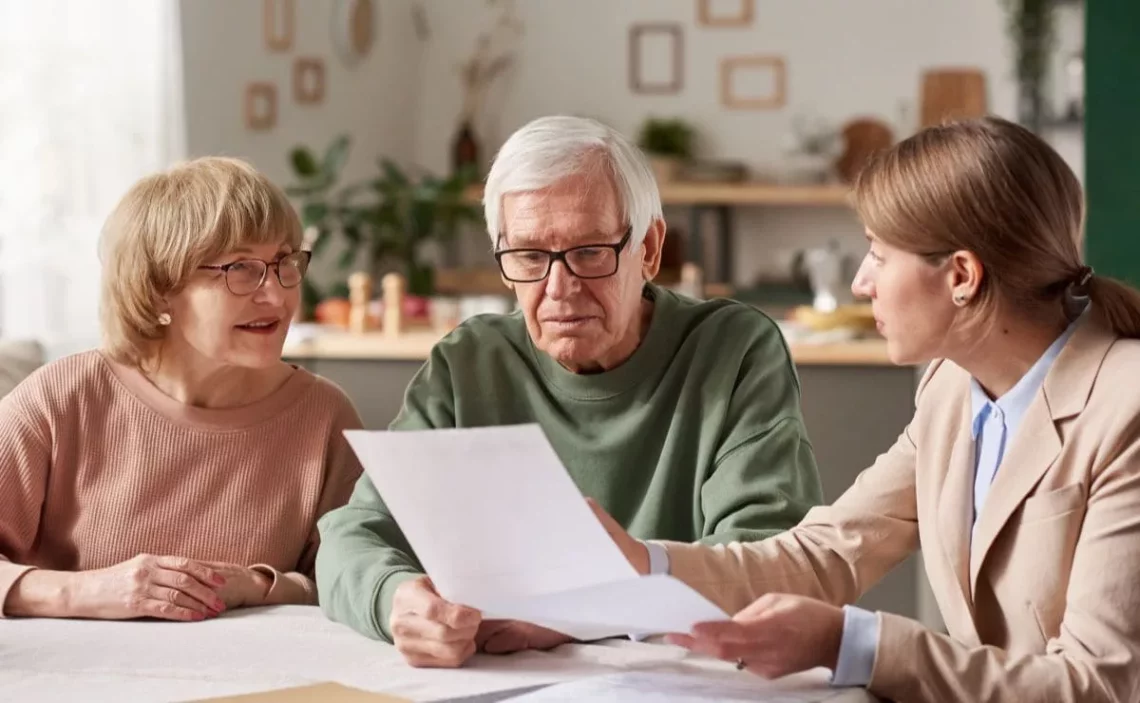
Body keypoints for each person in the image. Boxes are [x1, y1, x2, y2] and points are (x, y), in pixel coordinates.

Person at [591, 115, 1140, 703]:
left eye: (878, 254)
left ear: (961, 275)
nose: (860, 282)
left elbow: (1098, 685)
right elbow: (829, 552)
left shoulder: (1125, 408)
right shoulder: (953, 388)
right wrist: (644, 564)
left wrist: (856, 644)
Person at [315, 115, 824, 667]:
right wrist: (396, 601)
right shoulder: (470, 363)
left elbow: (767, 563)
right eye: (530, 257)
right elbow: (351, 537)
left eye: (589, 252)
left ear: (649, 249)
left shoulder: (735, 350)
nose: (560, 289)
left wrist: (580, 615)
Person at [0, 157, 363, 622]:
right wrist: (86, 591)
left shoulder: (324, 414)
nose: (277, 296)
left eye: (283, 262)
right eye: (241, 269)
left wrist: (257, 585)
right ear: (157, 290)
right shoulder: (64, 397)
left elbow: (354, 580)